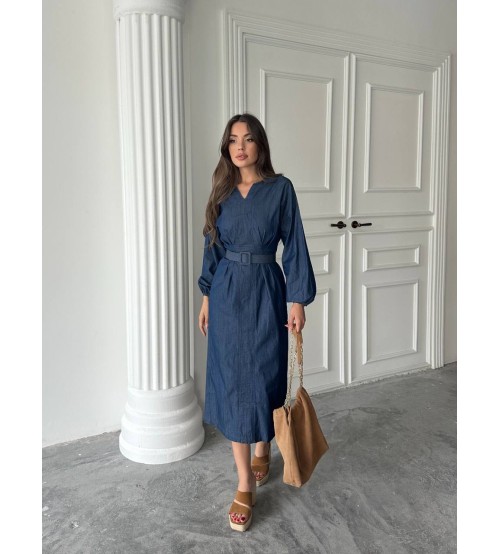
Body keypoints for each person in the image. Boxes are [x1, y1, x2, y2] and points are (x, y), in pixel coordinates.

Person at [197, 113, 316, 532]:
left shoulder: (280, 189)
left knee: (265, 374)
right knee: (234, 381)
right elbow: (212, 246)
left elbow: (295, 243)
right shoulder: (222, 191)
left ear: (260, 145)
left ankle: (264, 447)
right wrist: (206, 296)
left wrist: (297, 299)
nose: (240, 147)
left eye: (248, 139)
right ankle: (245, 481)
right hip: (227, 293)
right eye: (233, 140)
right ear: (226, 147)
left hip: (266, 289)